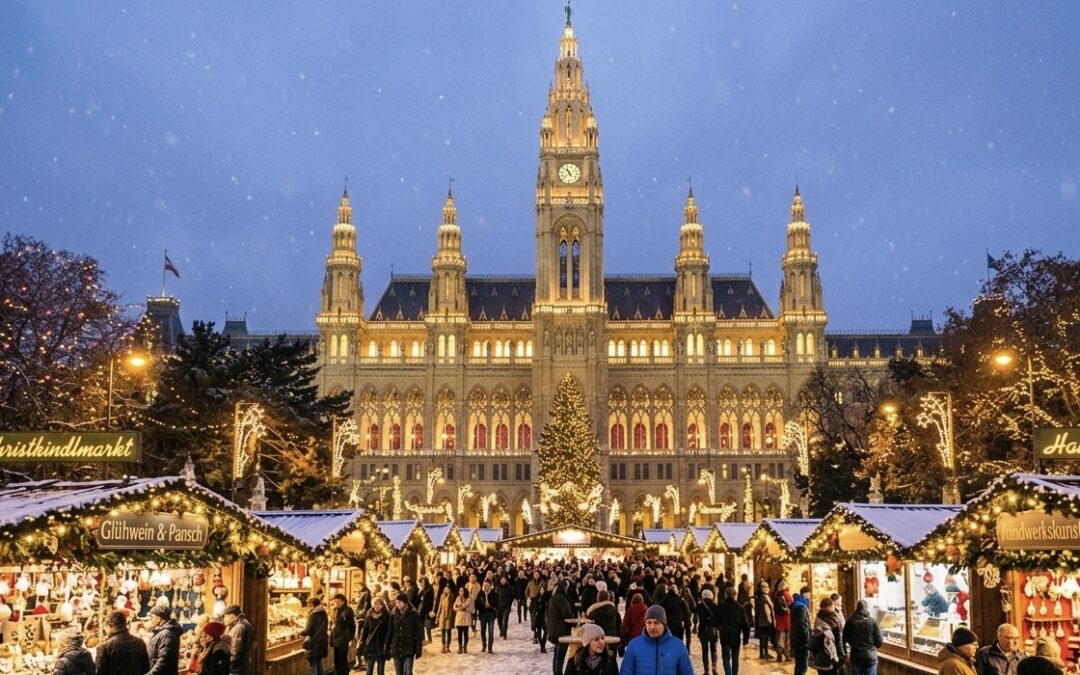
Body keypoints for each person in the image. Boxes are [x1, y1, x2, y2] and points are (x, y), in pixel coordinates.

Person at [619, 605, 694, 675]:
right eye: (649, 623)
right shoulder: (634, 646)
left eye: (656, 623)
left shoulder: (678, 646)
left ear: (664, 624)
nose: (652, 627)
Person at [95, 610, 150, 675]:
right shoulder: (140, 643)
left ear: (110, 626)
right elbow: (146, 669)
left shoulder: (104, 647)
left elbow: (99, 672)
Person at [843, 600, 883, 675]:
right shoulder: (873, 622)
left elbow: (844, 639)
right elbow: (879, 642)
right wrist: (871, 647)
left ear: (856, 608)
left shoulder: (850, 621)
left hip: (856, 656)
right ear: (867, 608)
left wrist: (849, 648)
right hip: (870, 656)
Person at [717, 586, 750, 675]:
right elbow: (746, 625)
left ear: (725, 595)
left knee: (726, 658)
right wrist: (746, 639)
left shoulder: (721, 606)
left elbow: (715, 620)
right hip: (736, 636)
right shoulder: (740, 608)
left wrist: (719, 627)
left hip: (725, 636)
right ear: (735, 595)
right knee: (735, 658)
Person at [387, 593, 422, 675]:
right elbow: (390, 631)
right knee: (398, 672)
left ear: (405, 602)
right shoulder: (393, 614)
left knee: (408, 672)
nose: (397, 604)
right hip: (396, 647)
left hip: (409, 648)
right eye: (396, 602)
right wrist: (387, 646)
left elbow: (418, 632)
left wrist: (418, 648)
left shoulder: (413, 614)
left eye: (399, 602)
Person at [547, 580, 574, 675]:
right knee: (560, 655)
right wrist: (573, 621)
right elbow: (566, 614)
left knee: (557, 654)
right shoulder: (561, 598)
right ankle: (558, 672)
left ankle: (556, 672)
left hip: (554, 628)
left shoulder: (555, 597)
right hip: (561, 629)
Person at [357, 597, 390, 675]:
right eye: (375, 604)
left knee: (381, 671)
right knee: (369, 670)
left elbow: (389, 632)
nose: (377, 606)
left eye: (379, 604)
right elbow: (365, 631)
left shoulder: (386, 616)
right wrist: (361, 642)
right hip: (370, 646)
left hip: (381, 645)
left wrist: (387, 644)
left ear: (382, 605)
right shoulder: (369, 615)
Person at [147, 606, 182, 675]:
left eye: (152, 618)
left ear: (159, 618)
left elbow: (163, 661)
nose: (150, 620)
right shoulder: (162, 631)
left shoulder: (167, 634)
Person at [809, 598, 841, 674]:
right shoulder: (826, 621)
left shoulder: (822, 618)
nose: (834, 607)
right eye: (832, 606)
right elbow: (836, 638)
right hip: (827, 655)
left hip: (825, 654)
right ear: (827, 607)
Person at [693, 588, 720, 675]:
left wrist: (695, 626)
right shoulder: (715, 605)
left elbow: (695, 616)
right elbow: (718, 618)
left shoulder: (700, 605)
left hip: (703, 630)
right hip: (713, 630)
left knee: (704, 651)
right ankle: (714, 667)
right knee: (713, 650)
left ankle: (706, 670)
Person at [301, 596, 329, 675]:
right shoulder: (323, 613)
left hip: (313, 643)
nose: (307, 606)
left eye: (308, 604)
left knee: (313, 667)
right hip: (322, 642)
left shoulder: (312, 615)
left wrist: (300, 633)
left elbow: (308, 630)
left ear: (311, 604)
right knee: (319, 665)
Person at [222, 605, 252, 675]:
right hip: (241, 665)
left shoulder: (238, 628)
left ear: (232, 617)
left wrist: (226, 665)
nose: (224, 619)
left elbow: (234, 651)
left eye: (226, 617)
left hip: (236, 668)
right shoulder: (243, 622)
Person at [789, 587, 812, 675]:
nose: (809, 597)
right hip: (801, 640)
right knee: (802, 665)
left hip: (796, 638)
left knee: (798, 664)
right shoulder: (801, 607)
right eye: (809, 594)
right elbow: (802, 624)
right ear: (805, 594)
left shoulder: (796, 604)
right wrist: (808, 639)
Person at [331, 594, 355, 675]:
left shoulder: (348, 610)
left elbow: (352, 625)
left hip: (344, 638)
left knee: (342, 658)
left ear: (343, 601)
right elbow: (333, 621)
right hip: (335, 637)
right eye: (335, 601)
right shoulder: (335, 610)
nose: (336, 603)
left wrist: (351, 638)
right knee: (336, 659)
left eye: (338, 601)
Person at [476, 579, 498, 653]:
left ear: (490, 586)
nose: (486, 587)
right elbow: (476, 604)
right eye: (484, 585)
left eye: (487, 586)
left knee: (491, 631)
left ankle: (490, 647)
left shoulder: (494, 593)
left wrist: (490, 605)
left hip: (491, 614)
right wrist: (482, 606)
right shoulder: (480, 593)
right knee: (483, 631)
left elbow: (497, 604)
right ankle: (484, 645)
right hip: (483, 614)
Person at [753, 581, 775, 659]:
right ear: (763, 588)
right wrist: (770, 620)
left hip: (765, 620)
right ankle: (763, 653)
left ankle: (765, 652)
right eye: (766, 587)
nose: (768, 588)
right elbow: (765, 610)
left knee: (765, 637)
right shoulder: (762, 598)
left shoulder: (764, 597)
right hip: (764, 620)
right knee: (763, 637)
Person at [773, 581, 793, 662]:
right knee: (786, 639)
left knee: (780, 639)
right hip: (785, 619)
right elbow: (791, 601)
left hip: (779, 620)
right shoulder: (786, 594)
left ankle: (779, 655)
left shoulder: (776, 595)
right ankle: (786, 655)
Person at [453, 586, 473, 654]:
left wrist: (462, 607)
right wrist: (459, 607)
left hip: (466, 618)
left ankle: (465, 647)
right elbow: (454, 607)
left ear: (465, 591)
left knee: (465, 634)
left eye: (462, 591)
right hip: (459, 618)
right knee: (459, 634)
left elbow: (471, 609)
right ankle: (460, 647)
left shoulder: (469, 599)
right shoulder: (458, 598)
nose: (461, 592)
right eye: (460, 591)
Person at [434, 585, 454, 654]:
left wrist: (449, 616)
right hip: (442, 616)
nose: (446, 590)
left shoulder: (451, 596)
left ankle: (448, 647)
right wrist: (437, 616)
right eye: (445, 589)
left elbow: (451, 607)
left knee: (448, 631)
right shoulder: (442, 596)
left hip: (448, 617)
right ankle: (443, 646)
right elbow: (440, 606)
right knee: (443, 632)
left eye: (448, 589)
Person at [497, 575, 515, 639]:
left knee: (505, 620)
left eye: (504, 580)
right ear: (500, 581)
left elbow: (512, 596)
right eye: (502, 580)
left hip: (507, 606)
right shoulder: (498, 587)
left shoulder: (510, 587)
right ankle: (501, 630)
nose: (503, 581)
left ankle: (505, 634)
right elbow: (496, 596)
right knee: (499, 620)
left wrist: (510, 603)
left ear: (506, 580)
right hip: (499, 606)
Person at [417, 578, 435, 645]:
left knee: (427, 625)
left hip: (427, 609)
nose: (422, 584)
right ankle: (423, 638)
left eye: (423, 582)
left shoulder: (430, 589)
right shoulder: (423, 589)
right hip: (421, 609)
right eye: (421, 582)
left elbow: (430, 600)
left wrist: (422, 598)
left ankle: (429, 639)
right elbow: (418, 596)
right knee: (421, 624)